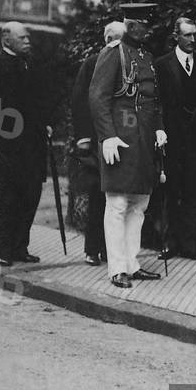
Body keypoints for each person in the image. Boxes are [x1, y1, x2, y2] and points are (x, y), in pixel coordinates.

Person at [89, 3, 166, 289]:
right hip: (120, 139)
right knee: (118, 204)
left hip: (144, 141)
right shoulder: (112, 53)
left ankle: (132, 264)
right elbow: (97, 97)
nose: (149, 28)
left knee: (139, 204)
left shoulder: (147, 56)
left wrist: (159, 127)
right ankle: (117, 268)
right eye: (145, 23)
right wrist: (107, 136)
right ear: (132, 25)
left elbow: (154, 99)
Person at [0, 21, 49, 266]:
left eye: (28, 37)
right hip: (7, 145)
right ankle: (4, 250)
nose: (28, 41)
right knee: (8, 199)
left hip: (32, 145)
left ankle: (21, 247)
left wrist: (45, 123)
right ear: (7, 39)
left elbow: (40, 100)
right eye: (22, 38)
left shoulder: (31, 64)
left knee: (30, 196)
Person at [154, 17, 196, 260]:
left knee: (193, 190)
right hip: (171, 138)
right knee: (171, 190)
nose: (193, 40)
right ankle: (168, 243)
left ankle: (191, 245)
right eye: (188, 35)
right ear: (176, 37)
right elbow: (157, 102)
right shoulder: (162, 65)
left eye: (195, 35)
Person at [70, 20, 126, 265]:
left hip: (123, 137)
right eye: (117, 39)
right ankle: (93, 248)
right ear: (107, 40)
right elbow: (80, 100)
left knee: (118, 195)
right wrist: (83, 137)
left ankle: (111, 249)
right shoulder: (93, 62)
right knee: (98, 194)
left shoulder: (130, 63)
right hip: (97, 139)